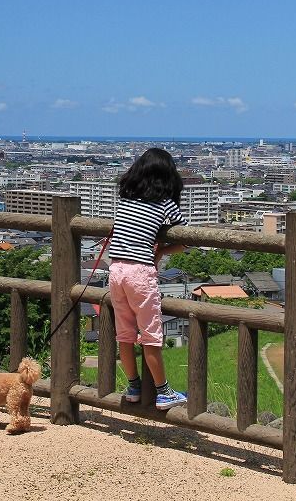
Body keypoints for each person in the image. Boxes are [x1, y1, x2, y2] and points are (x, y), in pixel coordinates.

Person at [107, 148, 189, 410]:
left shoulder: (127, 200)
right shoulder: (164, 203)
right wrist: (162, 250)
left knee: (125, 333)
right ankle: (163, 392)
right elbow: (185, 240)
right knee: (151, 334)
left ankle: (133, 386)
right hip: (140, 273)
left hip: (116, 270)